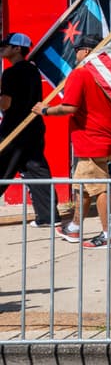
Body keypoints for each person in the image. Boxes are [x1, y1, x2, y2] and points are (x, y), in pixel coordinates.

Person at [34, 34, 111, 249]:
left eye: (77, 49)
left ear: (86, 51)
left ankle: (110, 234)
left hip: (92, 139)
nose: (75, 54)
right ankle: (74, 227)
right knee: (83, 186)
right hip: (108, 137)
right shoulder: (109, 74)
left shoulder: (80, 74)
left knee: (99, 186)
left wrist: (45, 110)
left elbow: (69, 107)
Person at [0, 33, 56, 230]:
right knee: (37, 170)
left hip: (14, 130)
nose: (2, 48)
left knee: (2, 169)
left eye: (6, 45)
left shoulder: (11, 73)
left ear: (17, 49)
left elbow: (6, 104)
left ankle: (48, 216)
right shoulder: (33, 70)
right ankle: (48, 216)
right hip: (33, 126)